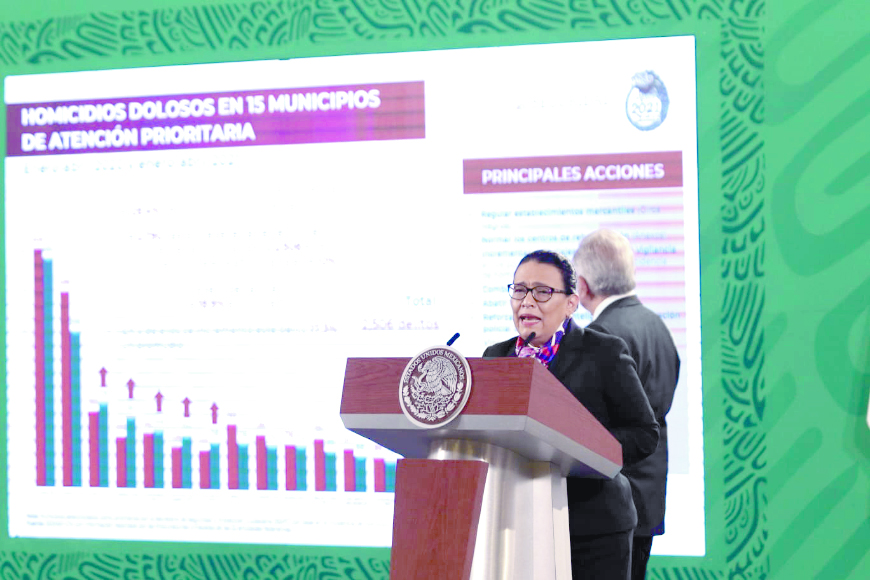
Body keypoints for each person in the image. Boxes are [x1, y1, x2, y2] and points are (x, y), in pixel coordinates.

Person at [483, 249, 659, 580]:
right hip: (517, 524)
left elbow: (644, 433)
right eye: (519, 290)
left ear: (571, 303)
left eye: (542, 291)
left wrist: (578, 448)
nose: (527, 301)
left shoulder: (603, 352)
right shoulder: (496, 357)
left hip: (592, 529)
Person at [572, 229, 681, 580]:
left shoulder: (602, 336)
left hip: (612, 505)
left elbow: (593, 424)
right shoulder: (656, 324)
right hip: (647, 498)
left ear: (582, 286)